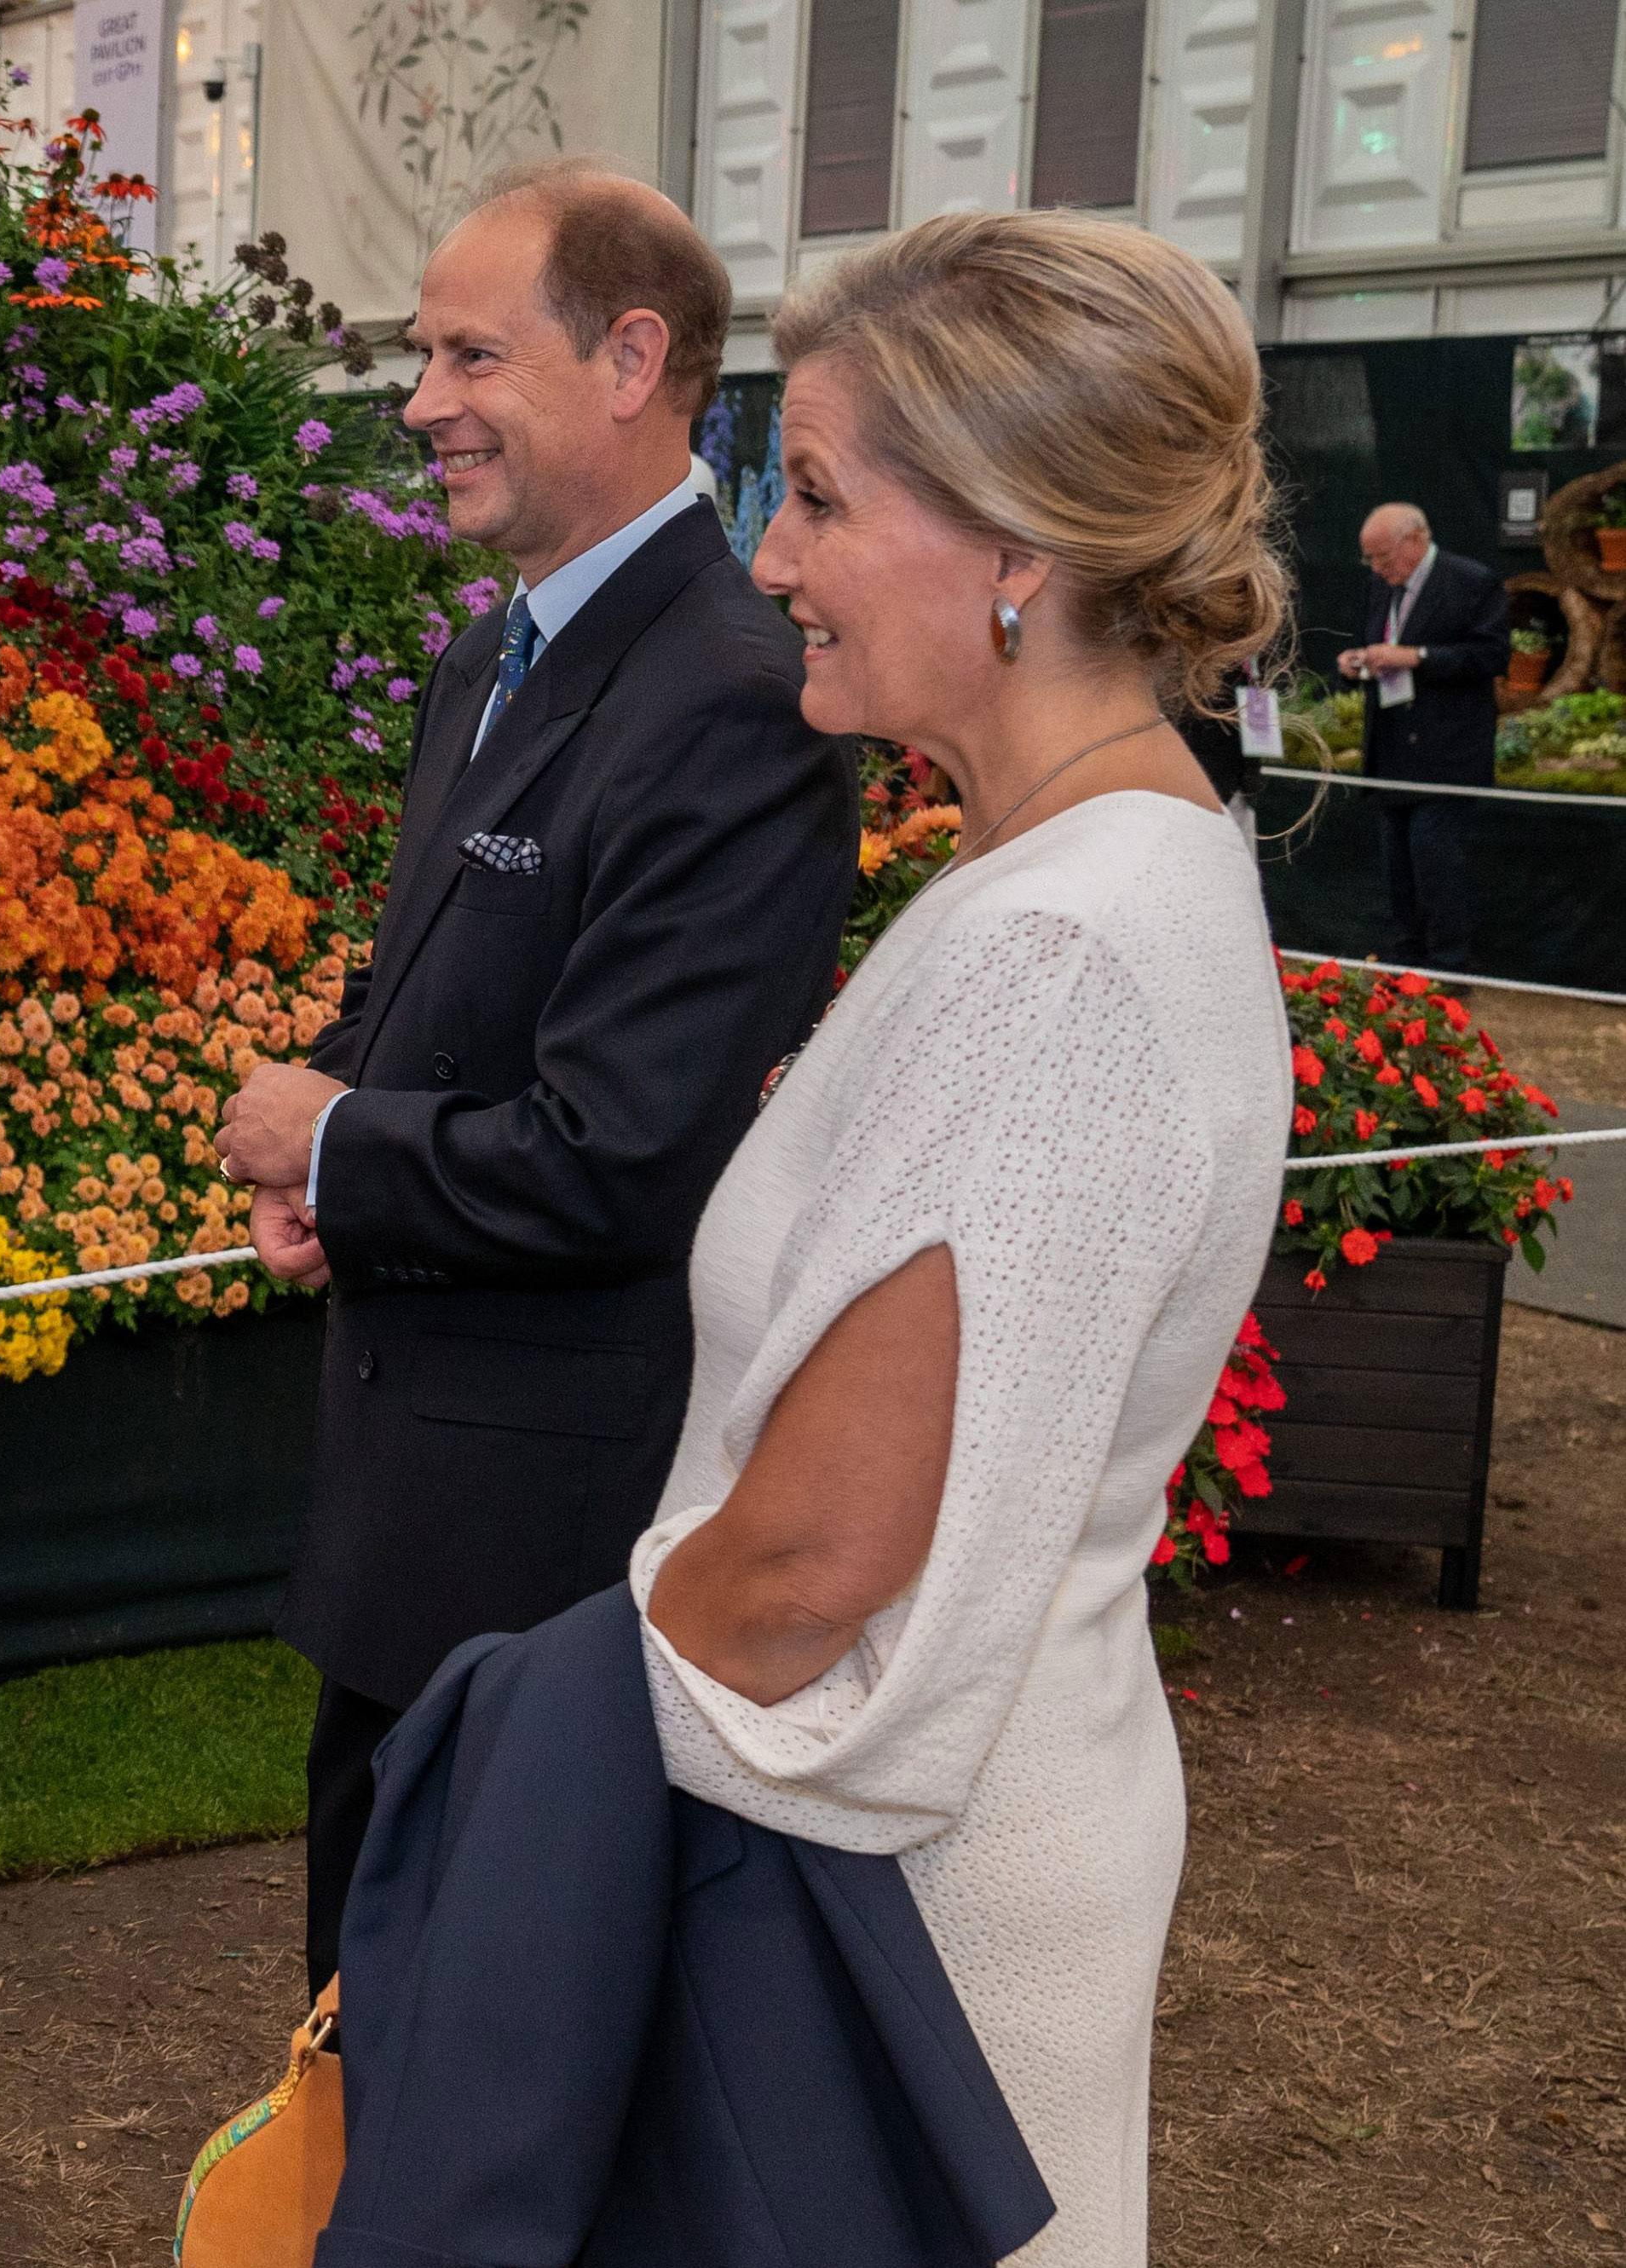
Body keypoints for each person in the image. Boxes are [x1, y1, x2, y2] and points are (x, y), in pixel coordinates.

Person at [635, 208, 1292, 2266]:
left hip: (882, 1915)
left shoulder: (1057, 950)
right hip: (946, 1847)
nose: (767, 558)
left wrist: (524, 1773)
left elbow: (816, 1562)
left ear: (1016, 547)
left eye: (816, 494)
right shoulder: (1094, 866)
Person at [210, 159, 856, 1994]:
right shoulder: (493, 650)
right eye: (423, 355)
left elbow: (617, 1150)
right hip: (415, 1509)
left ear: (631, 356)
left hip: (541, 1550)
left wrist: (333, 1143)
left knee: (475, 2056)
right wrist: (334, 1112)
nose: (419, 404)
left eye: (468, 354)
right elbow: (443, 990)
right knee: (371, 2027)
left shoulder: (729, 695)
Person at [1336, 501, 1509, 970]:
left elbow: (1490, 657)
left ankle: (1448, 968)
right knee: (1398, 866)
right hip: (1392, 747)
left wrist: (1418, 657)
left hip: (1447, 749)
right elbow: (1385, 646)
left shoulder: (1471, 581)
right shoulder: (1383, 586)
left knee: (1436, 860)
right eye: (1369, 559)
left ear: (1414, 541)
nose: (1376, 568)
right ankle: (1406, 963)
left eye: (1383, 557)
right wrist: (1358, 663)